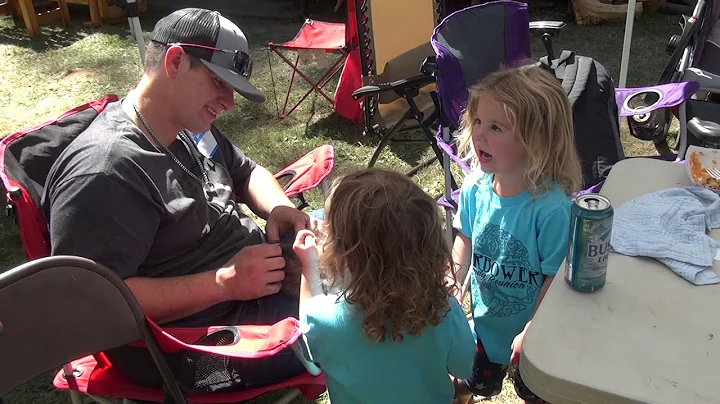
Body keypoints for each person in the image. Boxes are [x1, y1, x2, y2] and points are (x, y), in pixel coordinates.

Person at [42, 8, 315, 392]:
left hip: (249, 283)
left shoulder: (184, 124)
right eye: (220, 82)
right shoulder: (106, 172)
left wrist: (279, 207)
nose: (229, 103)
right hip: (185, 348)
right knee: (363, 315)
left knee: (369, 250)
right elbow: (96, 302)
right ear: (175, 61)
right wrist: (224, 283)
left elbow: (246, 171)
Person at [448, 66, 583, 404]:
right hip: (485, 329)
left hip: (535, 338)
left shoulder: (551, 209)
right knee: (472, 383)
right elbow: (464, 236)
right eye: (477, 121)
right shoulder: (474, 188)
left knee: (535, 394)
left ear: (535, 139)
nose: (479, 134)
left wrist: (532, 331)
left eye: (496, 127)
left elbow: (555, 279)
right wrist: (450, 274)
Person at [290, 168, 477, 403]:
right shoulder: (443, 310)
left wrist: (308, 268)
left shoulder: (323, 317)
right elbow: (463, 366)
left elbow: (310, 354)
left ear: (342, 253)